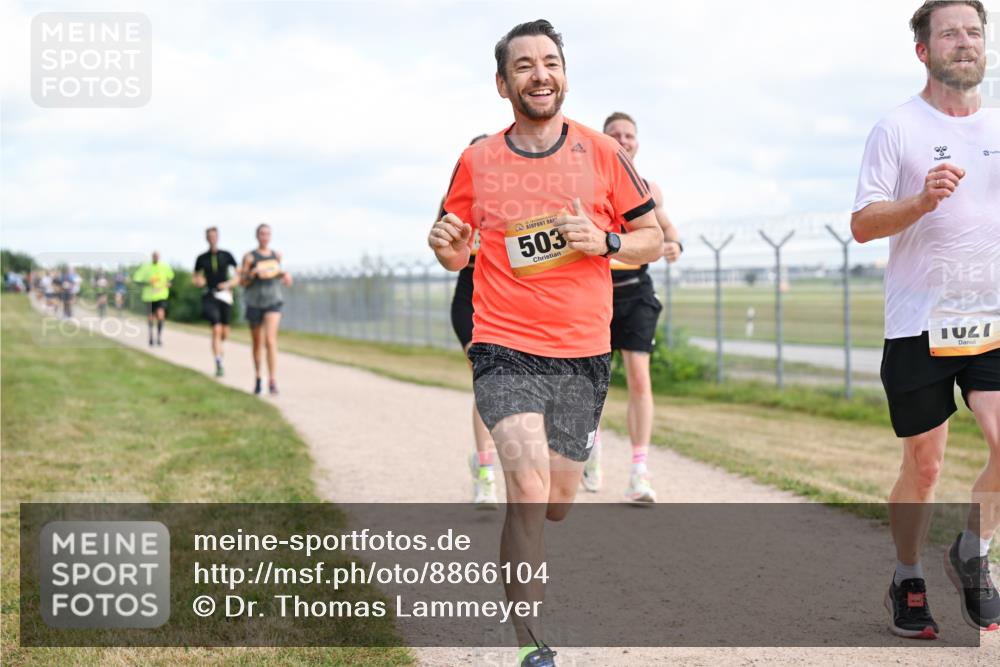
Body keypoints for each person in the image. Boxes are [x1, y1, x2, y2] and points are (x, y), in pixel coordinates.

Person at [428, 20, 663, 666]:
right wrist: (447, 249)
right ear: (503, 83)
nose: (540, 73)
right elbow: (452, 247)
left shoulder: (602, 153)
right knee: (526, 489)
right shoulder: (476, 161)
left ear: (564, 75)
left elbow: (654, 240)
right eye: (525, 65)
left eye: (551, 62)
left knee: (558, 499)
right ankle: (532, 641)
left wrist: (606, 240)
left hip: (583, 351)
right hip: (504, 344)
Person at [851, 0, 999, 639]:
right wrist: (920, 200)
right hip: (920, 320)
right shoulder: (897, 128)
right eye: (949, 33)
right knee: (925, 466)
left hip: (990, 315)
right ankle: (907, 574)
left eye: (974, 31)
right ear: (923, 51)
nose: (964, 42)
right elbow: (862, 224)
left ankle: (974, 549)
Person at [581, 111, 684, 503]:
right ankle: (590, 446)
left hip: (636, 292)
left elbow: (666, 231)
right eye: (614, 135)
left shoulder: (648, 190)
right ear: (602, 142)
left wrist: (674, 245)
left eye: (629, 135)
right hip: (595, 294)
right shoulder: (590, 188)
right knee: (593, 383)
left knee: (640, 377)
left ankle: (639, 471)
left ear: (637, 143)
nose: (623, 140)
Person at [445, 133, 500, 509]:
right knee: (487, 381)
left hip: (508, 302)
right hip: (470, 299)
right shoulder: (458, 199)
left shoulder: (515, 198)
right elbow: (445, 249)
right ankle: (485, 472)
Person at [240, 223, 292, 395]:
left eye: (267, 234)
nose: (265, 237)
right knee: (257, 343)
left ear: (270, 236)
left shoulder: (276, 255)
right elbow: (243, 282)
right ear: (257, 236)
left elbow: (277, 273)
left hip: (273, 300)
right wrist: (252, 274)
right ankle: (258, 378)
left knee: (270, 340)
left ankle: (272, 380)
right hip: (254, 302)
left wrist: (285, 276)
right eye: (262, 233)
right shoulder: (249, 257)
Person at [193, 227, 240, 377]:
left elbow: (238, 275)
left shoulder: (227, 255)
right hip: (210, 295)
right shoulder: (202, 258)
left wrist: (229, 284)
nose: (212, 238)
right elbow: (195, 276)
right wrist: (199, 281)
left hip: (225, 295)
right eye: (209, 236)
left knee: (224, 331)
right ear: (206, 238)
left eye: (214, 236)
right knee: (216, 329)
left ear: (218, 237)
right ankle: (218, 361)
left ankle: (219, 346)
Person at [132, 251, 175, 346]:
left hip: (161, 296)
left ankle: (159, 337)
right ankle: (151, 335)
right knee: (150, 318)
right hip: (149, 297)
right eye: (154, 256)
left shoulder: (164, 266)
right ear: (152, 257)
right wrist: (147, 283)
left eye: (157, 256)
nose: (156, 257)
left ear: (159, 257)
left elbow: (171, 278)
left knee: (160, 315)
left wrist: (169, 283)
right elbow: (136, 279)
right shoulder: (145, 267)